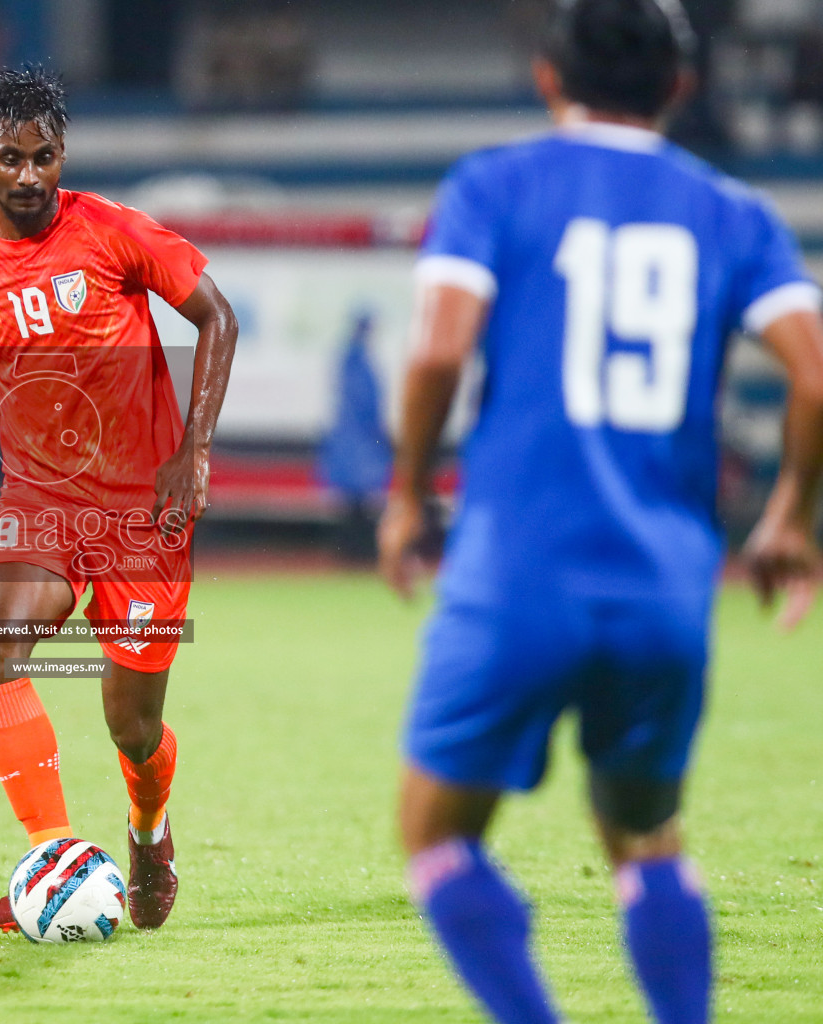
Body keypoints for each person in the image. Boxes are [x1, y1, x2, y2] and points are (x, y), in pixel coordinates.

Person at [377, 1, 823, 1022]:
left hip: (518, 569)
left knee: (436, 833)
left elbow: (442, 348)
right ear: (680, 86)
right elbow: (813, 373)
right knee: (645, 831)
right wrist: (791, 515)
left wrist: (405, 496)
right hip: (667, 584)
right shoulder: (734, 212)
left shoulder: (496, 184)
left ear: (548, 77)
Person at [0, 67, 238, 933]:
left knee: (132, 726)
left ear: (63, 156)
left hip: (140, 511)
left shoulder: (114, 234)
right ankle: (54, 863)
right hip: (40, 497)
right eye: (9, 157)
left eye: (43, 157)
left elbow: (218, 318)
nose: (26, 175)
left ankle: (148, 828)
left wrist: (193, 448)